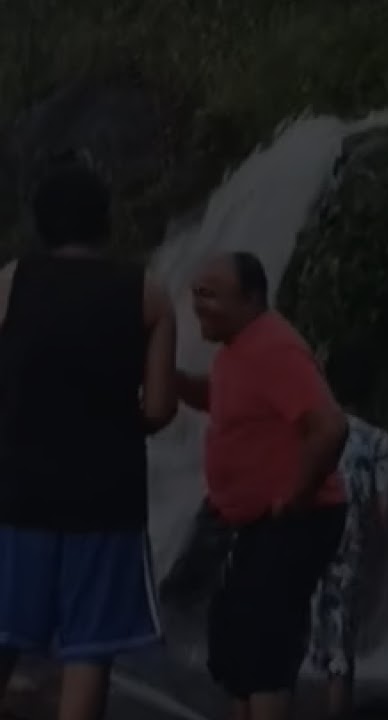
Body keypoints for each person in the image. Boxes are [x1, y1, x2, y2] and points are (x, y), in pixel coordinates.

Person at [0, 162, 178, 720]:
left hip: (17, 492)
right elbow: (158, 407)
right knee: (88, 652)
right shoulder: (148, 294)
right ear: (106, 223)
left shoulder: (8, 283)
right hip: (106, 499)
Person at [176, 251, 349, 720]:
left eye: (210, 294)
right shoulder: (238, 350)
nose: (197, 303)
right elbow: (224, 400)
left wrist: (294, 496)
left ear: (250, 298)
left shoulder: (273, 349)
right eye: (195, 293)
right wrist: (172, 382)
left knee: (264, 647)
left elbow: (329, 427)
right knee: (235, 638)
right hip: (258, 523)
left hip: (295, 519)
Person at [309, 412, 388, 720]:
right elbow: (385, 512)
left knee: (310, 648)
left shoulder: (306, 428)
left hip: (302, 545)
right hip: (348, 552)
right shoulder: (375, 439)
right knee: (340, 649)